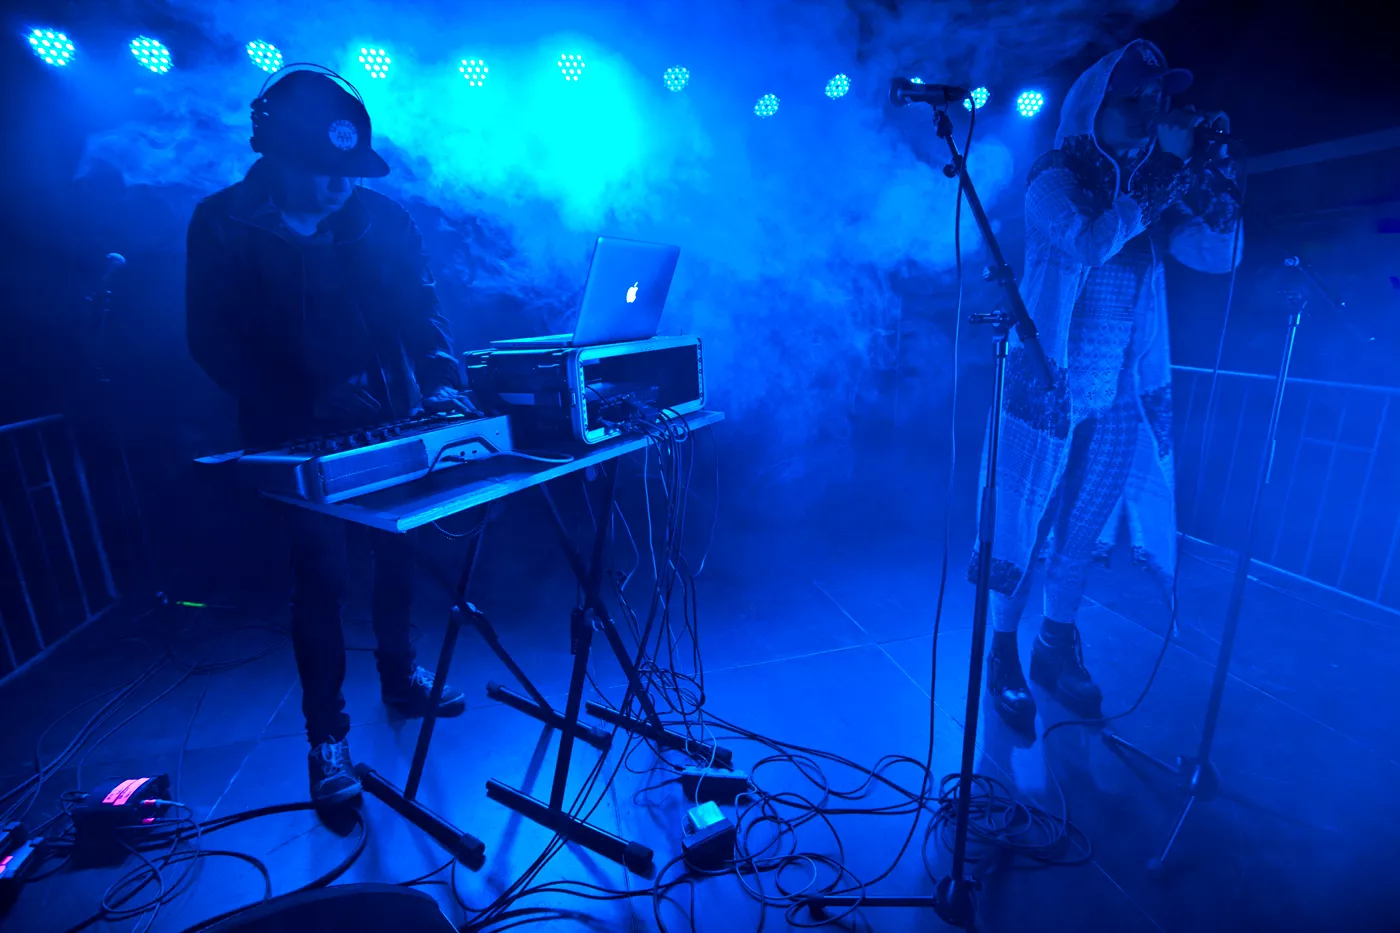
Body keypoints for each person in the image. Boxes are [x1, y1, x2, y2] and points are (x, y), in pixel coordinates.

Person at [186, 69, 475, 804]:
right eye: (322, 169)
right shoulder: (221, 223)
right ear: (275, 151)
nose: (341, 185)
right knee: (322, 578)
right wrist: (307, 394)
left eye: (351, 170)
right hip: (293, 431)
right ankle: (327, 738)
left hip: (391, 414)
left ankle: (401, 676)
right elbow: (212, 341)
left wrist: (443, 383)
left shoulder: (383, 218)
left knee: (397, 552)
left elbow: (422, 310)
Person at [970, 40, 1242, 734]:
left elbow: (1220, 254)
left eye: (1156, 98)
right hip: (1050, 391)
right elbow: (1090, 242)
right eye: (1132, 98)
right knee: (1026, 526)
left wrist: (1216, 170)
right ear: (1094, 104)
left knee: (1080, 531)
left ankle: (1054, 645)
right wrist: (1167, 174)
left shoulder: (1153, 193)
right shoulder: (1055, 177)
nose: (1149, 110)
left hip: (1117, 396)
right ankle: (1002, 651)